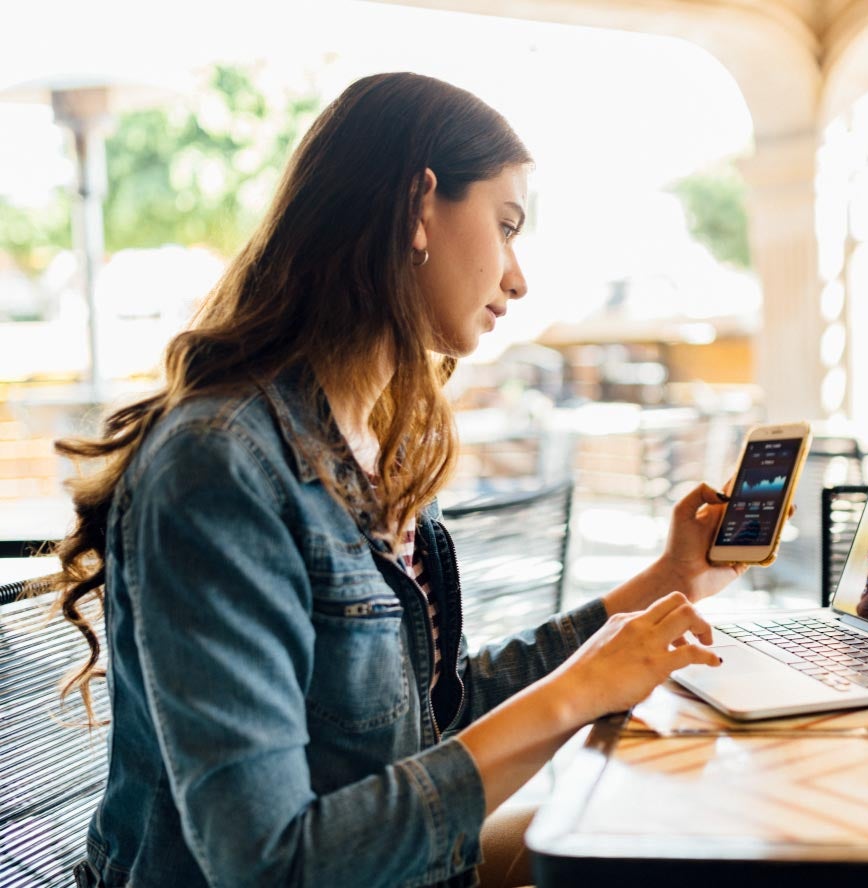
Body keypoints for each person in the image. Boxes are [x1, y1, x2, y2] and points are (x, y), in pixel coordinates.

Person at [52, 72, 747, 888]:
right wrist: (574, 694)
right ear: (421, 206)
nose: (519, 278)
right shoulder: (219, 466)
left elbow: (433, 713)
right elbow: (266, 863)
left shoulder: (375, 443)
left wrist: (667, 582)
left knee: (670, 835)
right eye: (507, 225)